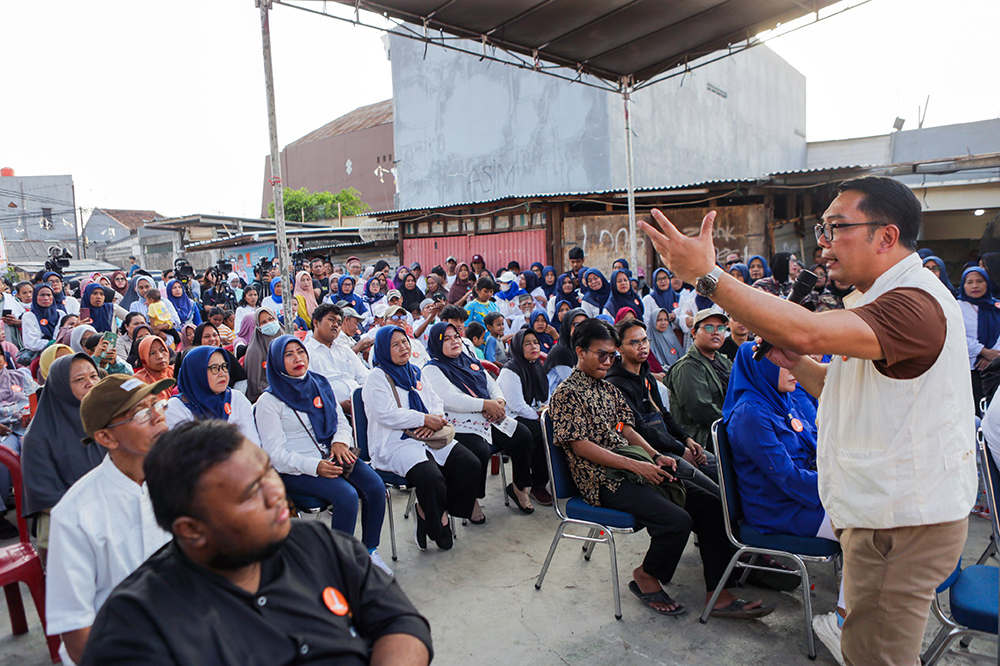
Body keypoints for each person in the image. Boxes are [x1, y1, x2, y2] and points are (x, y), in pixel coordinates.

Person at [641, 175, 976, 666]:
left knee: (876, 656)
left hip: (902, 521)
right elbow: (842, 389)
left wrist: (707, 276)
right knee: (864, 646)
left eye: (836, 228)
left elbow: (807, 327)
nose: (823, 244)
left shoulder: (913, 304)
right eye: (822, 229)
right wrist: (795, 363)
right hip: (881, 513)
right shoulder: (876, 301)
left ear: (886, 236)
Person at [80, 419, 432, 666]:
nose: (276, 493)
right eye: (250, 493)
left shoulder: (319, 542)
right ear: (191, 530)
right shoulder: (136, 626)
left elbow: (401, 623)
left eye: (267, 472)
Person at [548, 319, 770, 618]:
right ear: (580, 351)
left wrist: (653, 456)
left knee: (713, 505)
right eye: (601, 354)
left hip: (631, 466)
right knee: (676, 521)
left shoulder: (606, 388)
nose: (607, 361)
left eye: (612, 355)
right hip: (601, 480)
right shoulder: (566, 393)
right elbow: (581, 447)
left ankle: (718, 593)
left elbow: (626, 428)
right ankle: (645, 575)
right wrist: (638, 466)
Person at [723, 343, 846, 656]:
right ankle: (844, 623)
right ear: (762, 367)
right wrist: (838, 485)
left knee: (872, 520)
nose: (797, 370)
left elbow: (814, 443)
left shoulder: (781, 399)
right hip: (778, 509)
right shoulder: (750, 414)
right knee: (862, 531)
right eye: (786, 364)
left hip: (803, 496)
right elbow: (787, 479)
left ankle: (853, 609)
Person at [45, 375, 174, 664]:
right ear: (106, 437)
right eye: (141, 413)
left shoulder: (182, 480)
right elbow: (76, 628)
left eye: (157, 405)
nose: (157, 418)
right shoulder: (75, 515)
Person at [253, 335, 391, 574]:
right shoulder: (269, 401)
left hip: (332, 454)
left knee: (376, 487)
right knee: (346, 497)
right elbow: (274, 454)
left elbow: (340, 421)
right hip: (296, 468)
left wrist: (339, 443)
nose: (298, 358)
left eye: (300, 352)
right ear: (276, 361)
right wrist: (314, 466)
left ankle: (369, 551)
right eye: (289, 355)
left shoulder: (319, 383)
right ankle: (338, 564)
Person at [362, 326, 480, 551]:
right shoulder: (376, 377)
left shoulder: (415, 371)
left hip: (429, 435)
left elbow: (435, 400)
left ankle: (436, 510)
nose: (403, 348)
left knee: (469, 463)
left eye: (404, 342)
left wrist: (433, 417)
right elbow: (385, 414)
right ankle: (438, 522)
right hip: (397, 442)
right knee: (432, 478)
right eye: (394, 345)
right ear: (383, 350)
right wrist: (422, 419)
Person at [423, 322, 537, 516]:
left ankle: (519, 487)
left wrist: (499, 402)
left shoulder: (468, 360)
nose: (454, 341)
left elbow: (491, 383)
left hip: (487, 415)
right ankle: (472, 499)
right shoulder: (432, 369)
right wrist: (485, 405)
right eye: (447, 339)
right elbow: (450, 399)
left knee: (523, 435)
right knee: (479, 450)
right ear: (436, 342)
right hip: (459, 422)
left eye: (456, 336)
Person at [607, 318, 717, 487]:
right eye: (634, 343)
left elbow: (664, 415)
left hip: (669, 442)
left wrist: (686, 439)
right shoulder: (616, 383)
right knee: (711, 490)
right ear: (619, 348)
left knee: (720, 468)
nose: (642, 346)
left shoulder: (647, 376)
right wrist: (680, 449)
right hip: (650, 450)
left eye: (644, 340)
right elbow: (639, 428)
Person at [20, 353, 103, 559]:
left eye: (94, 376)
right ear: (60, 387)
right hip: (68, 519)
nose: (90, 384)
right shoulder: (38, 436)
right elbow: (45, 496)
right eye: (79, 379)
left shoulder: (106, 421)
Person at [495, 329, 552, 505]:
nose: (533, 346)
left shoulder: (536, 365)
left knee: (554, 427)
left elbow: (545, 396)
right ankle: (534, 485)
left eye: (535, 342)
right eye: (527, 343)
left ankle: (550, 478)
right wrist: (539, 417)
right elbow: (516, 405)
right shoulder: (510, 370)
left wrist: (546, 410)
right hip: (510, 418)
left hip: (532, 413)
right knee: (540, 431)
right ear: (518, 347)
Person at [664, 310, 732, 452]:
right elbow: (702, 409)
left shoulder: (722, 361)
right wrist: (736, 425)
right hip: (703, 438)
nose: (716, 332)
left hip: (727, 427)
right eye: (709, 328)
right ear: (694, 333)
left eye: (720, 328)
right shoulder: (687, 366)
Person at [165, 346, 259, 445]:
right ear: (197, 373)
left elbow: (252, 443)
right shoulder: (175, 408)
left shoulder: (236, 398)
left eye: (224, 366)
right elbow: (187, 453)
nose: (222, 373)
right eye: (214, 368)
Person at [306, 304, 369, 415]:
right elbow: (308, 392)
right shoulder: (306, 354)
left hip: (362, 406)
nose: (335, 325)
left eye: (339, 323)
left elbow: (365, 378)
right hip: (329, 413)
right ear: (316, 323)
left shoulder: (345, 350)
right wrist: (337, 406)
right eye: (331, 320)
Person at [958, 266, 1000, 409]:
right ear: (963, 285)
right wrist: (983, 351)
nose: (975, 286)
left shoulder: (996, 306)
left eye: (979, 281)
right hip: (969, 367)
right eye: (969, 282)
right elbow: (958, 334)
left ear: (987, 283)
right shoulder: (957, 307)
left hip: (996, 366)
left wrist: (994, 354)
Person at [543, 307, 588, 396]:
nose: (582, 329)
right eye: (577, 325)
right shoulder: (561, 352)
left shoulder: (579, 348)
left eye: (585, 325)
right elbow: (575, 385)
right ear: (567, 326)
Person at [242, 307, 282, 403]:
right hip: (268, 398)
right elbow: (255, 385)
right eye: (263, 322)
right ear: (258, 326)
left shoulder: (285, 337)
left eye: (271, 319)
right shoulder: (255, 352)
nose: (269, 323)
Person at [132, 336, 175, 401]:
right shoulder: (138, 381)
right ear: (144, 357)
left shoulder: (177, 372)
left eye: (162, 350)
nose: (160, 356)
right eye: (152, 353)